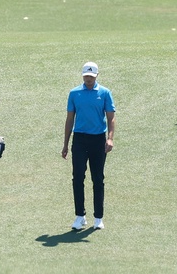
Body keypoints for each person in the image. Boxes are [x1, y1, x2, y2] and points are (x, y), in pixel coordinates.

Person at [62, 61, 116, 231]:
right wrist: (65, 144)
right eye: (86, 76)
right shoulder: (74, 93)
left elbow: (111, 117)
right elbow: (70, 119)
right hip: (79, 139)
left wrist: (110, 138)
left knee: (97, 178)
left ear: (97, 76)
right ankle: (80, 216)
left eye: (91, 76)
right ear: (82, 75)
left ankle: (98, 217)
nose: (88, 79)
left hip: (98, 140)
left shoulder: (105, 93)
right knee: (77, 177)